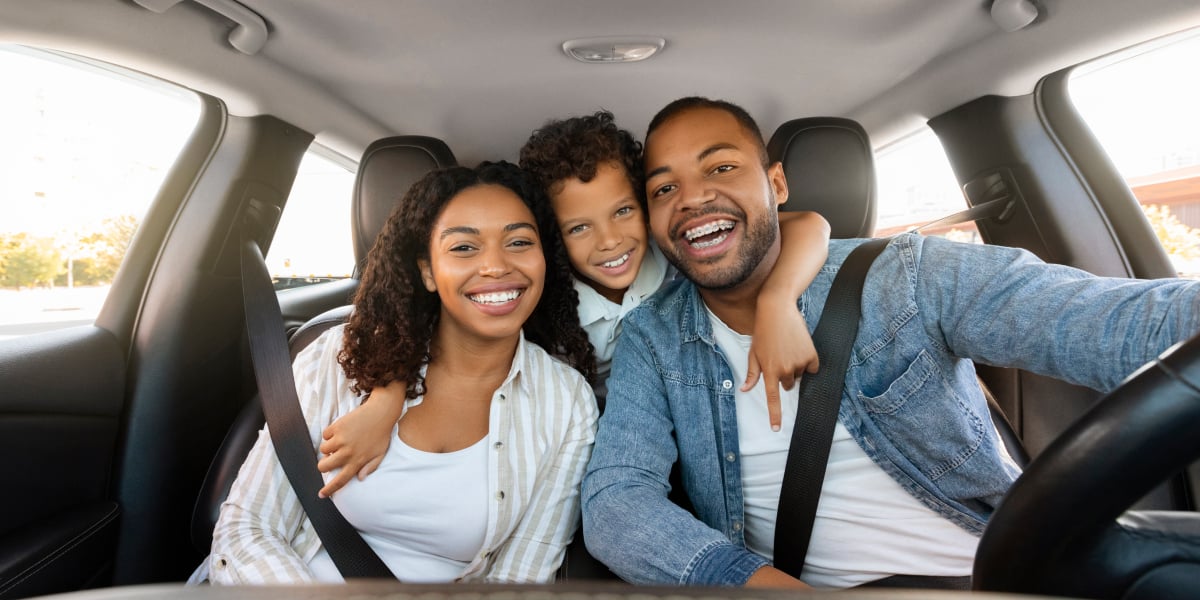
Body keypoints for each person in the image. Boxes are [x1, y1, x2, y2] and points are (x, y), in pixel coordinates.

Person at [579, 97, 1200, 589]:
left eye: (720, 167)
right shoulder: (653, 339)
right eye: (663, 189)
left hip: (982, 576)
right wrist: (757, 586)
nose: (692, 198)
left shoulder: (906, 276)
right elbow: (616, 502)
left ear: (777, 183)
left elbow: (1124, 323)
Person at [315, 111, 832, 495]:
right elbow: (429, 328)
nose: (609, 242)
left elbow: (809, 225)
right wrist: (385, 400)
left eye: (624, 211)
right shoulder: (538, 298)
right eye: (579, 227)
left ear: (649, 207)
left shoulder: (678, 251)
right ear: (553, 239)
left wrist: (778, 302)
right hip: (596, 438)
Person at [192, 161, 599, 584]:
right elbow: (246, 529)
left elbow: (524, 574)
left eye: (518, 242)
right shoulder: (338, 357)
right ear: (427, 271)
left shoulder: (567, 404)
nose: (496, 266)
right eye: (463, 248)